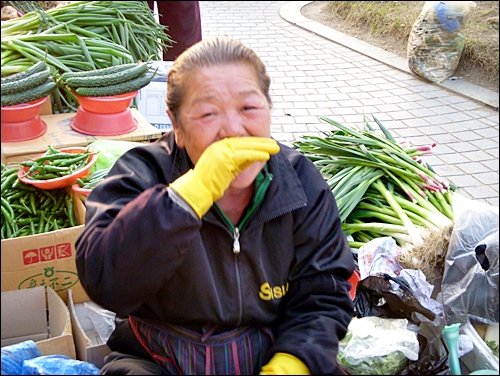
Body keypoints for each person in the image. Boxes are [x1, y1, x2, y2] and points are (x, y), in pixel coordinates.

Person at [75, 37, 355, 375]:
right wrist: (187, 197)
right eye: (208, 113)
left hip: (271, 350)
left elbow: (323, 293)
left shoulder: (300, 180)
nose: (234, 130)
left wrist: (292, 363)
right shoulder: (140, 173)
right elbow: (106, 283)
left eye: (249, 108)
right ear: (176, 125)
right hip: (159, 359)